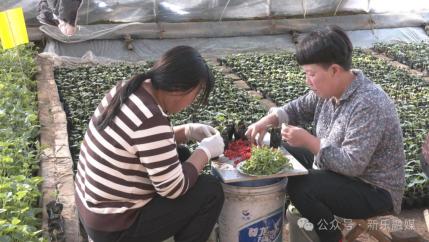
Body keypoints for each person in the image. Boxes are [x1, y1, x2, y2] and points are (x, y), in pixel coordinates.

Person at [246, 25, 405, 242]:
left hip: (372, 189)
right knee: (282, 152)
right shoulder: (328, 91)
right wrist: (267, 120)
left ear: (334, 70)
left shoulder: (369, 103)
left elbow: (352, 165)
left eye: (311, 74)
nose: (307, 80)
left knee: (302, 184)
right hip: (338, 172)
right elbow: (297, 108)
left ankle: (332, 237)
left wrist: (310, 141)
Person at [75, 46, 225, 242]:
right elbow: (173, 188)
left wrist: (186, 131)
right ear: (180, 89)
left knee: (179, 153)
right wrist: (205, 152)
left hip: (92, 210)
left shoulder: (130, 88)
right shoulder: (151, 117)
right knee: (209, 191)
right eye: (195, 95)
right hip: (114, 227)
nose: (192, 101)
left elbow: (141, 142)